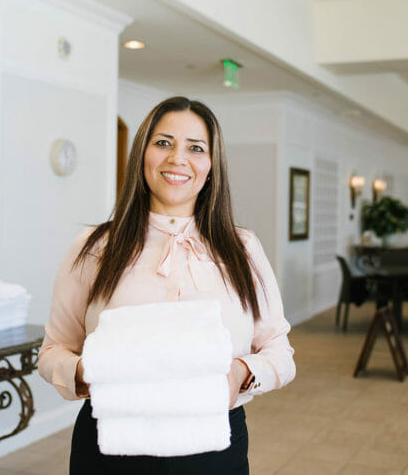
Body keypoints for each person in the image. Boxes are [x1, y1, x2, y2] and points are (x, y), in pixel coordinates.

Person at [39, 96, 296, 474]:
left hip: (213, 447)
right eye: (163, 143)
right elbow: (52, 351)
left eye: (196, 147)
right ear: (142, 154)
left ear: (211, 166)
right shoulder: (95, 247)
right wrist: (89, 370)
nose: (178, 158)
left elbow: (280, 352)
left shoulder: (243, 248)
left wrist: (240, 372)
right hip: (111, 445)